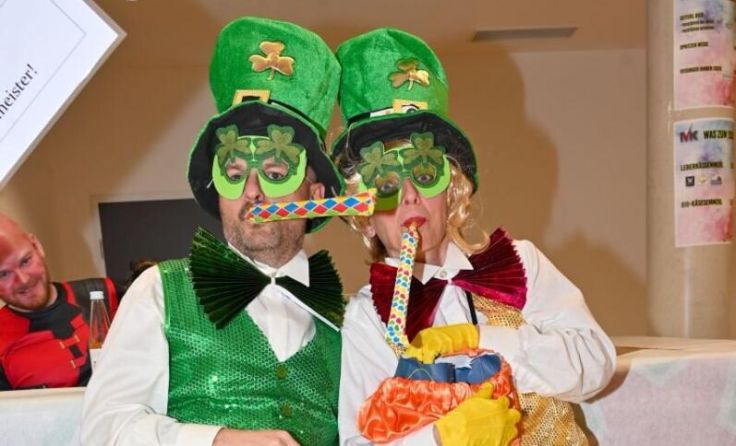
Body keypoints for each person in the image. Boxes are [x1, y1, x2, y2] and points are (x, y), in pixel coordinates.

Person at [331, 28, 616, 445]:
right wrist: (441, 439)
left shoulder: (520, 264)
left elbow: (595, 363)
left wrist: (485, 341)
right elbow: (359, 441)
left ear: (451, 192)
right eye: (386, 184)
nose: (409, 196)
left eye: (424, 173)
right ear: (367, 218)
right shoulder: (367, 317)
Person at [81, 17, 346, 446]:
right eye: (234, 174)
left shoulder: (347, 320)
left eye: (275, 171)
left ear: (315, 194)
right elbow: (102, 431)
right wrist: (216, 440)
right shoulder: (159, 292)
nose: (252, 192)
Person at [0, 213, 120, 390]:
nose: (23, 280)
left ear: (37, 246)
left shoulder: (106, 293)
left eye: (25, 261)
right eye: (3, 274)